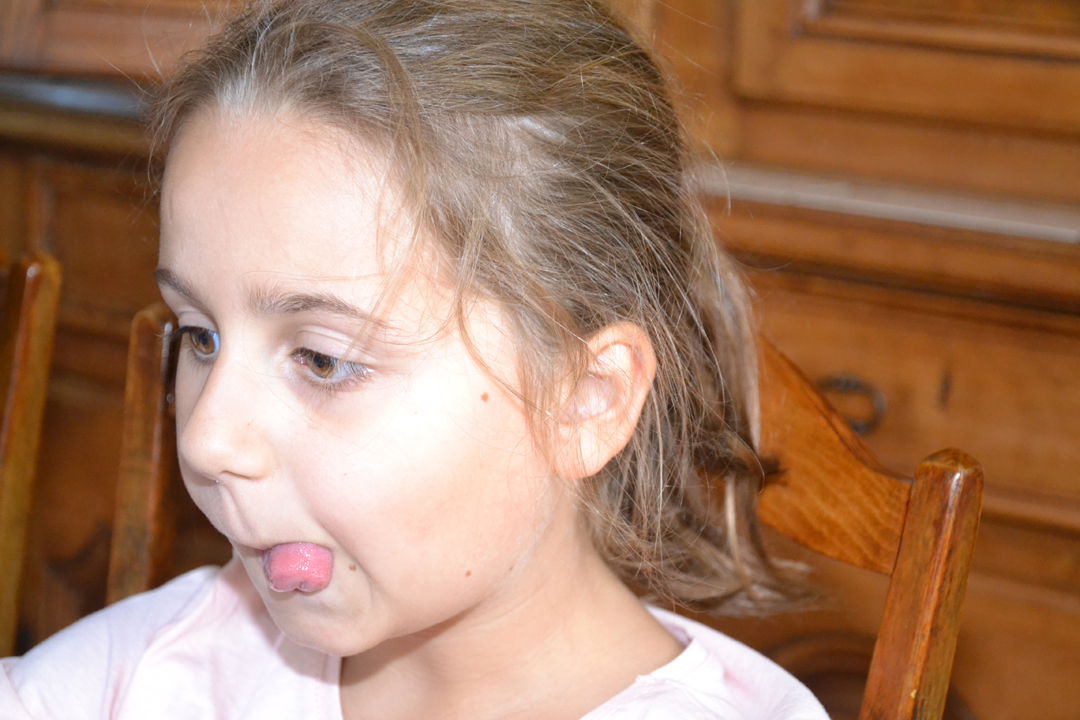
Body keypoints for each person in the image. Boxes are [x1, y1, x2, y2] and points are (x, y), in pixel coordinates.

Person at [1, 0, 828, 717]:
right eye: (200, 336)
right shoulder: (155, 670)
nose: (206, 439)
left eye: (322, 360)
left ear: (585, 399)